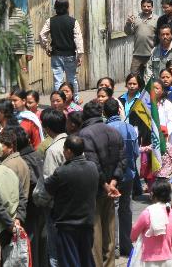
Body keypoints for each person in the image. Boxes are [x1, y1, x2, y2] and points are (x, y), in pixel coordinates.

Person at [78, 101, 125, 267]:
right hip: (112, 189)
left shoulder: (84, 134)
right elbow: (122, 160)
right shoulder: (114, 132)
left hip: (95, 191)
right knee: (110, 232)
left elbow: (93, 163)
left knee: (96, 235)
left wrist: (105, 185)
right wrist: (113, 183)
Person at [44, 135, 100, 267]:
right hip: (87, 223)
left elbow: (48, 186)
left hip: (67, 225)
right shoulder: (92, 167)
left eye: (64, 150)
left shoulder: (62, 171)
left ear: (69, 151)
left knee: (69, 261)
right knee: (86, 259)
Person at [103, 99, 139, 258]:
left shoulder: (105, 130)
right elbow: (136, 152)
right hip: (129, 174)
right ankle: (126, 245)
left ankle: (114, 248)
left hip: (112, 179)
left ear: (104, 113)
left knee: (114, 211)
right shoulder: (129, 128)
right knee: (126, 209)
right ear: (119, 111)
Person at [33, 108, 68, 266]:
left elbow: (48, 183)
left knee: (54, 251)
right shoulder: (71, 142)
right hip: (71, 205)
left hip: (55, 208)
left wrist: (40, 200)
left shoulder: (53, 150)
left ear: (47, 129)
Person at [39, 0, 84, 103]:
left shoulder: (50, 21)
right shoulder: (73, 21)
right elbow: (78, 39)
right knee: (72, 79)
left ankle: (57, 101)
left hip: (56, 54)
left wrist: (46, 47)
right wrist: (79, 55)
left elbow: (42, 35)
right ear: (67, 7)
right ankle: (75, 99)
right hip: (70, 55)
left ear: (55, 8)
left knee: (57, 80)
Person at [130, 180, 172, 267]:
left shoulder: (147, 213)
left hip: (148, 261)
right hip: (168, 261)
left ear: (152, 194)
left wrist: (133, 239)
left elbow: (134, 233)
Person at [16, 128, 45, 267]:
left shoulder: (23, 160)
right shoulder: (37, 154)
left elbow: (32, 182)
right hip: (42, 207)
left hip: (31, 208)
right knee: (41, 243)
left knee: (31, 244)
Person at [0, 130, 30, 232]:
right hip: (17, 215)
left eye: (1, 147)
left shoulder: (8, 166)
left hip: (10, 218)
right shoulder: (20, 161)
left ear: (10, 147)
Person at [124, 0, 159, 77]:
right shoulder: (136, 18)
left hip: (151, 55)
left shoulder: (157, 19)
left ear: (152, 7)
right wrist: (128, 24)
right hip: (137, 55)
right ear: (141, 7)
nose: (146, 8)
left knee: (151, 79)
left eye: (148, 6)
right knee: (134, 77)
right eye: (144, 6)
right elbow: (128, 32)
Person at [8, 1, 34, 91]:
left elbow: (30, 33)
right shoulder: (1, 15)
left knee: (23, 78)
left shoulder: (22, 14)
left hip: (20, 52)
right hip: (5, 53)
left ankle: (28, 100)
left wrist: (30, 51)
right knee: (7, 80)